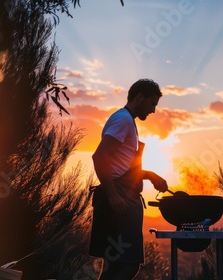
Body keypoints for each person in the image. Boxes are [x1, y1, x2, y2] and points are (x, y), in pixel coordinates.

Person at [89, 78, 169, 280]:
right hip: (119, 204)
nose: (153, 110)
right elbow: (100, 156)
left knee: (113, 267)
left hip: (122, 201)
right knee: (128, 266)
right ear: (139, 97)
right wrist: (113, 195)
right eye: (152, 104)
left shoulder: (127, 122)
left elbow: (121, 167)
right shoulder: (123, 120)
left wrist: (150, 175)